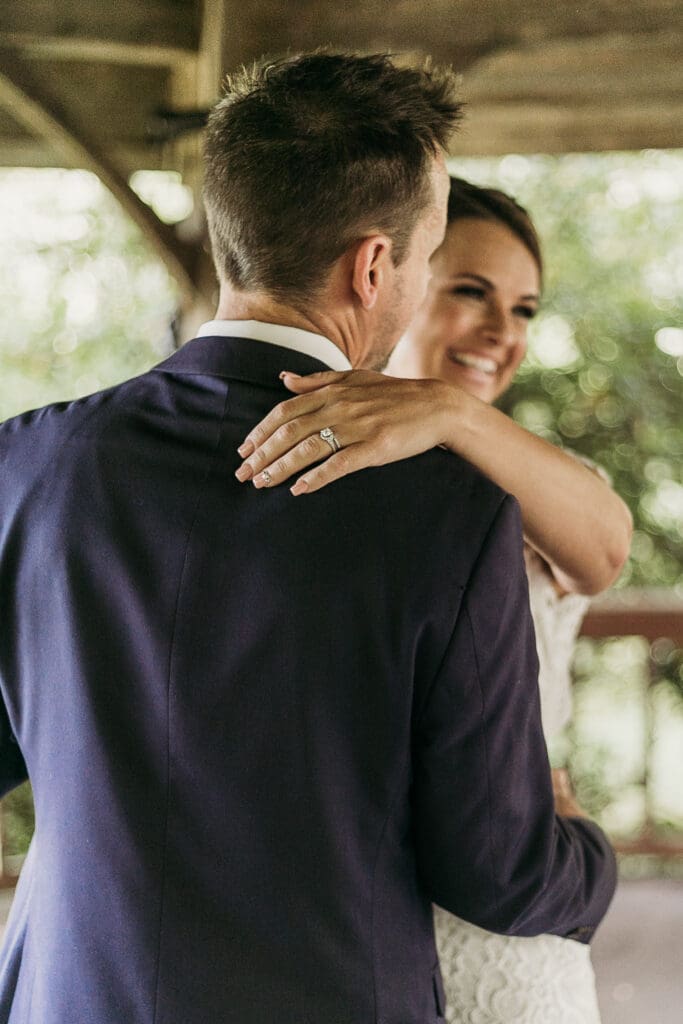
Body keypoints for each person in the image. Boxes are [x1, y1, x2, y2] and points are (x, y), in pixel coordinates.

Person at [0, 53, 617, 1024]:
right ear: (374, 267)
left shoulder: (27, 463)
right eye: (427, 262)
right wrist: (587, 852)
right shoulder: (448, 509)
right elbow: (495, 872)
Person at [234, 177, 633, 1021]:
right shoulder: (307, 462)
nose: (501, 331)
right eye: (470, 292)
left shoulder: (535, 479)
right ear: (394, 281)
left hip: (504, 921)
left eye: (523, 308)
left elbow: (602, 552)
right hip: (344, 911)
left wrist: (452, 414)